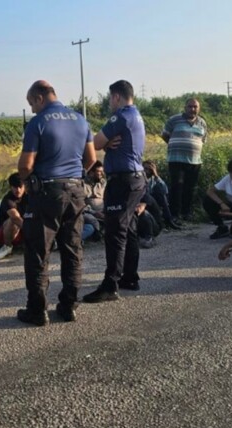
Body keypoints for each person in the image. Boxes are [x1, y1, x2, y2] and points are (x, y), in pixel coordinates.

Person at [16, 80, 96, 326]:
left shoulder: (38, 123)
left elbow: (26, 166)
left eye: (31, 104)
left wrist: (28, 182)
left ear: (40, 98)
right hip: (75, 192)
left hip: (47, 193)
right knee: (73, 250)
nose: (31, 109)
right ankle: (68, 306)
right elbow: (91, 159)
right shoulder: (80, 120)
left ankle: (37, 311)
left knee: (38, 253)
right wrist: (70, 175)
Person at [82, 80, 146, 302]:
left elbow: (96, 142)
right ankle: (130, 277)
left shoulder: (120, 116)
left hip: (123, 181)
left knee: (115, 232)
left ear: (117, 96)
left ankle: (111, 285)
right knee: (128, 229)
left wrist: (104, 144)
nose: (110, 102)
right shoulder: (136, 115)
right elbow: (105, 144)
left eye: (110, 98)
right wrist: (108, 144)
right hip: (136, 179)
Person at [162, 98, 207, 223]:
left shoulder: (202, 122)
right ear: (185, 107)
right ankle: (174, 215)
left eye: (195, 107)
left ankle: (186, 213)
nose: (192, 109)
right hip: (176, 159)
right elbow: (165, 135)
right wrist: (177, 145)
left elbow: (202, 140)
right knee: (177, 187)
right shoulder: (174, 120)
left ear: (199, 108)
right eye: (190, 106)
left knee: (190, 188)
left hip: (195, 161)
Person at [0, 172, 26, 260]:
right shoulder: (8, 200)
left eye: (20, 187)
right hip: (5, 234)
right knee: (13, 219)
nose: (18, 190)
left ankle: (52, 240)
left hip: (22, 231)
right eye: (15, 187)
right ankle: (7, 247)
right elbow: (16, 218)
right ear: (11, 187)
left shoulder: (29, 197)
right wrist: (32, 232)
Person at [142, 160, 181, 230]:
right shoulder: (139, 178)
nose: (147, 171)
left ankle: (168, 220)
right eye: (145, 169)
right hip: (142, 201)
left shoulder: (153, 179)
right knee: (156, 194)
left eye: (149, 169)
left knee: (160, 193)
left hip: (151, 201)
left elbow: (165, 190)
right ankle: (168, 220)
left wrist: (156, 175)